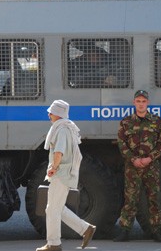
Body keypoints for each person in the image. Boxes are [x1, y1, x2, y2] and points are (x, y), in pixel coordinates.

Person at [37, 100, 96, 251]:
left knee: (52, 209)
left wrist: (53, 168)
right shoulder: (66, 127)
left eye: (51, 112)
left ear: (58, 114)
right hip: (64, 172)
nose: (49, 114)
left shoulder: (62, 129)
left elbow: (59, 151)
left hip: (61, 173)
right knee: (57, 207)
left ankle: (54, 244)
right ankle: (86, 229)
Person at [114, 90, 161, 243]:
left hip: (151, 167)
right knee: (130, 199)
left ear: (148, 103)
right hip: (132, 167)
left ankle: (157, 231)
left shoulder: (156, 121)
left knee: (154, 200)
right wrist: (133, 159)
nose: (141, 104)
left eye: (144, 101)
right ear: (134, 103)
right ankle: (124, 231)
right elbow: (121, 144)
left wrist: (150, 158)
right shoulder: (126, 122)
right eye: (138, 101)